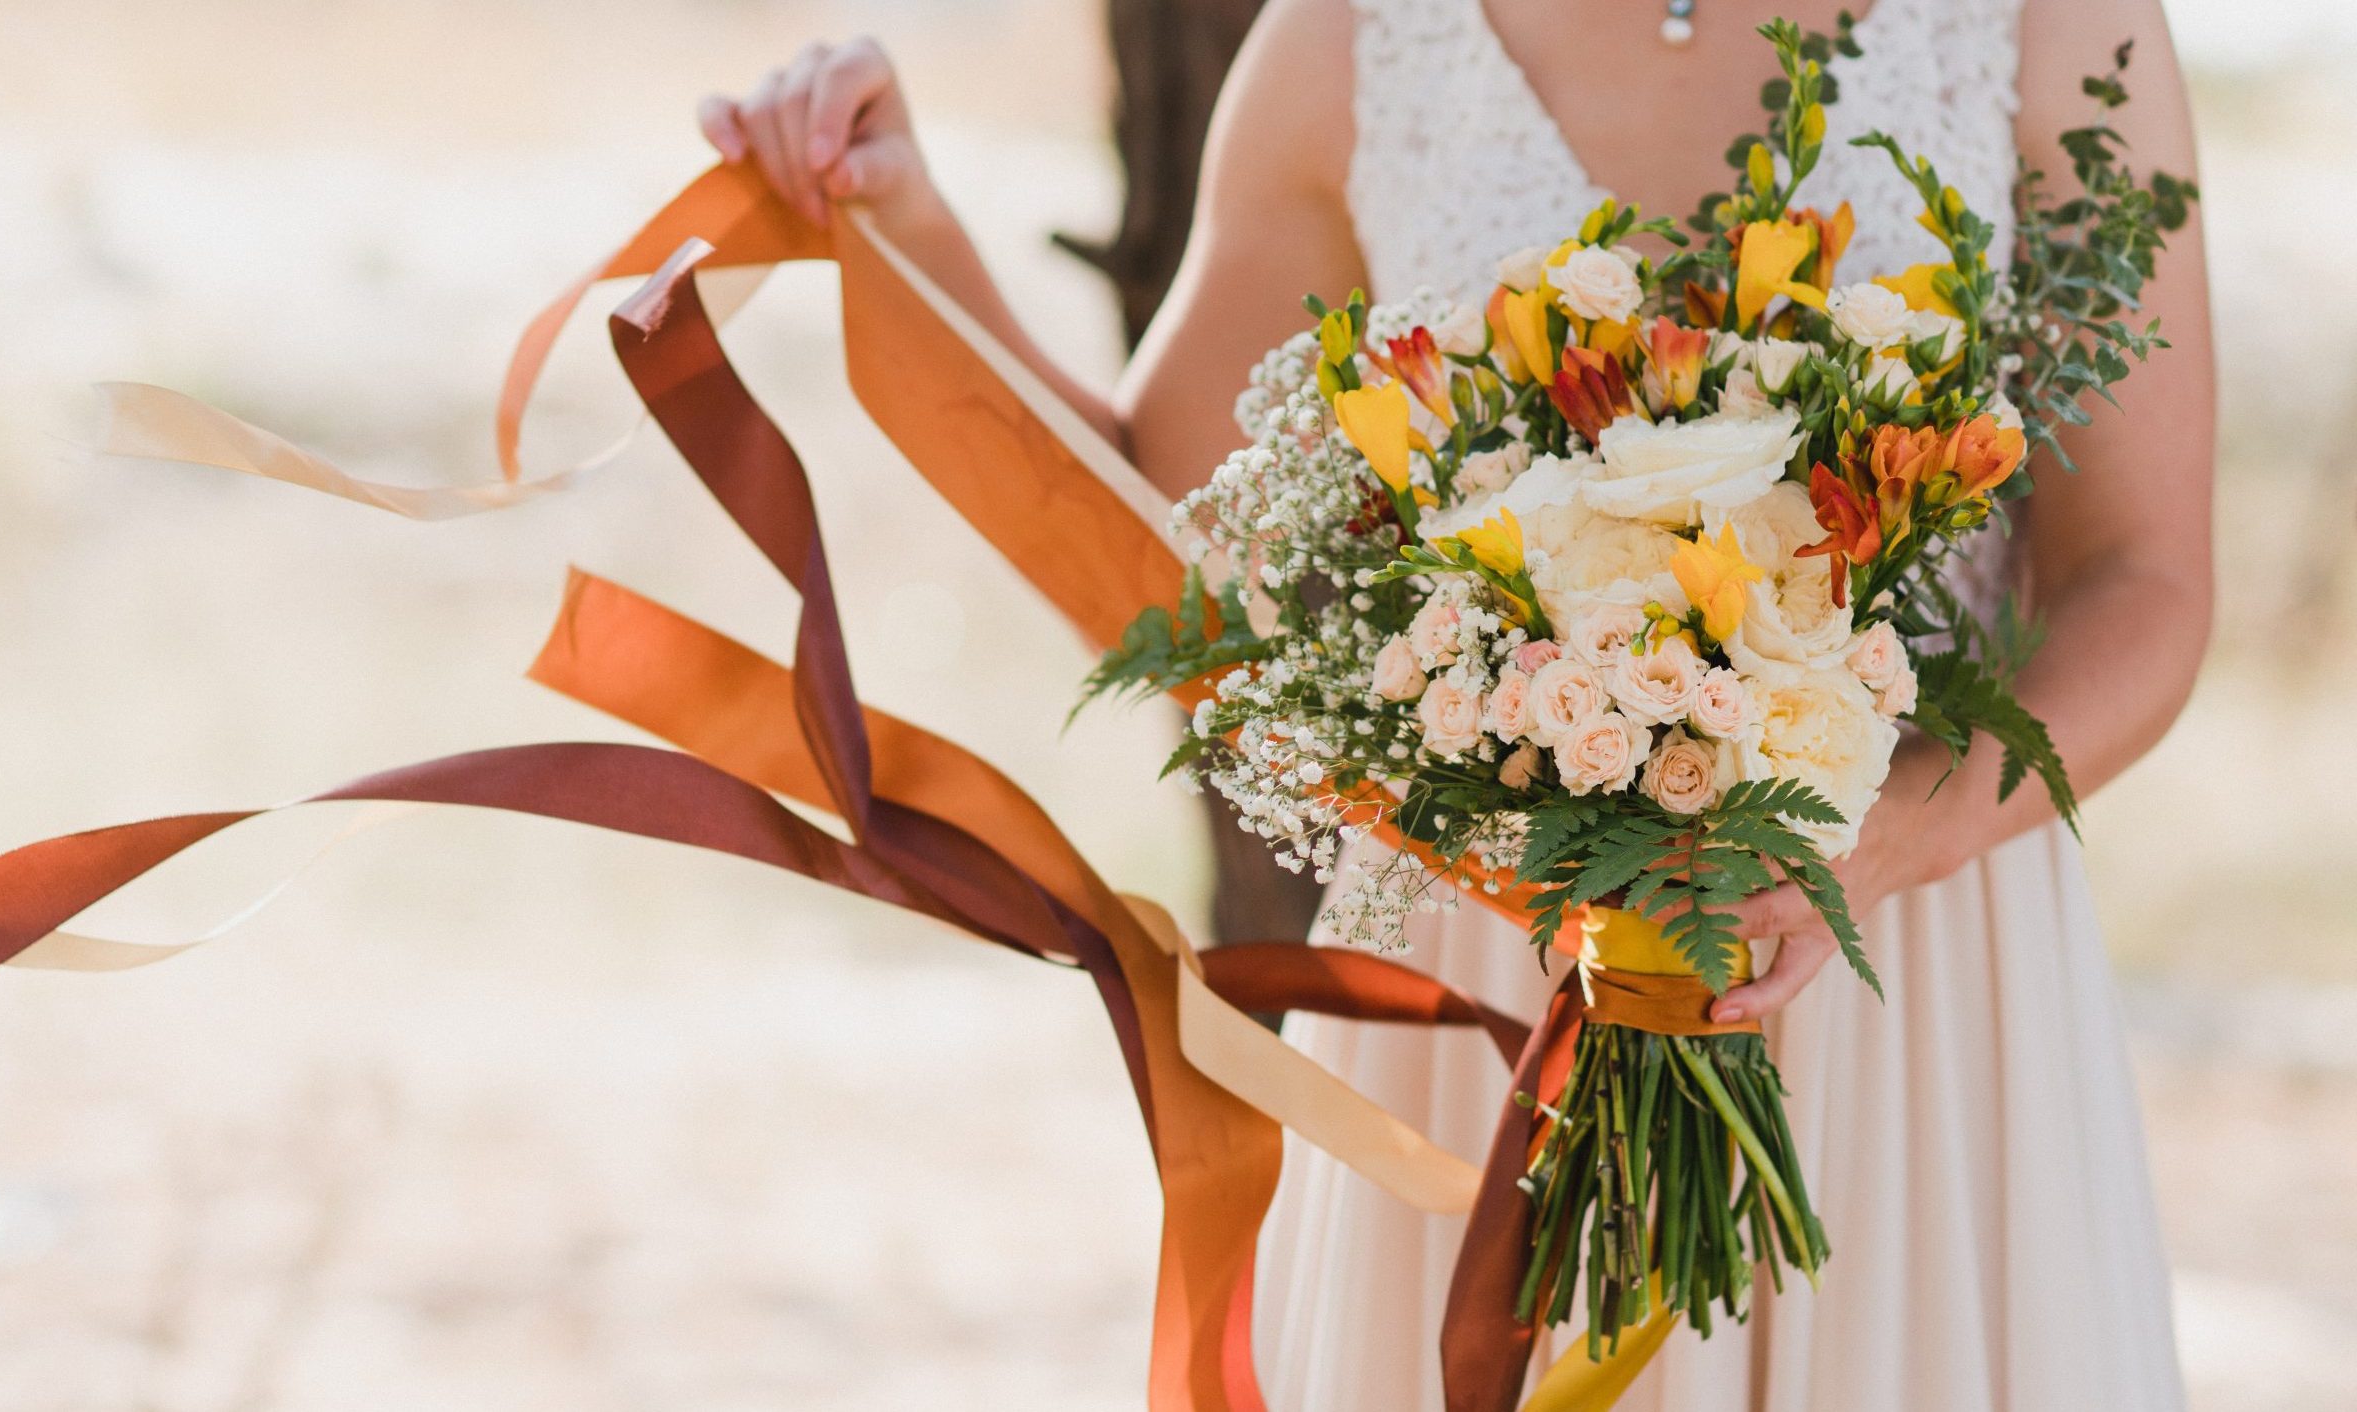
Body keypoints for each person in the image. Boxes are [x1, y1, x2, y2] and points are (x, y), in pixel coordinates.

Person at [700, 0, 2212, 1405]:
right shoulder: (1359, 37)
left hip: (1912, 972)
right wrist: (905, 225)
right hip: (1487, 979)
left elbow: (2145, 584)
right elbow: (1172, 546)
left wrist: (1870, 840)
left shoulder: (2053, 23)